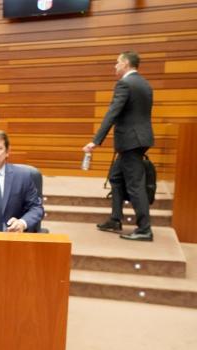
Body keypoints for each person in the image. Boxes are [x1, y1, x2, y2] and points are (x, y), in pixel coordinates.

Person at [83, 50, 154, 241]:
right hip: (140, 139)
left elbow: (112, 113)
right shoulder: (145, 84)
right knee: (115, 177)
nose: (114, 66)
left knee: (135, 185)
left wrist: (96, 140)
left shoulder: (124, 84)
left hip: (130, 141)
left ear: (125, 63)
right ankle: (115, 219)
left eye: (117, 62)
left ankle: (145, 229)